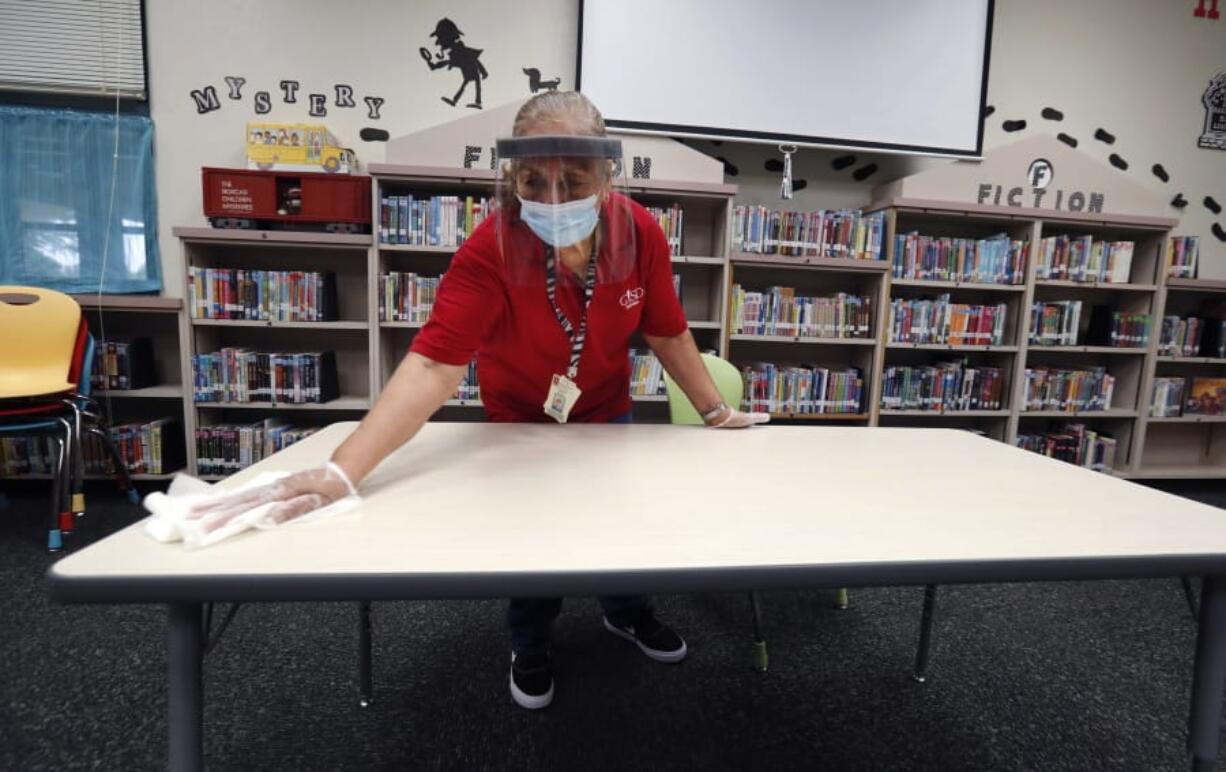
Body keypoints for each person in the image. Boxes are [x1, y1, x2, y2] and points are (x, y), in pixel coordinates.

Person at [187, 91, 769, 710]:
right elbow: (434, 364)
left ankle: (626, 611)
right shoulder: (492, 245)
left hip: (604, 412)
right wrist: (343, 470)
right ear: (510, 178)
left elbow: (666, 330)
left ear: (605, 176)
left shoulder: (639, 232)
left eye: (572, 180)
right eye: (531, 180)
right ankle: (529, 639)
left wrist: (714, 411)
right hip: (519, 417)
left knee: (616, 525)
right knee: (532, 536)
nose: (551, 198)